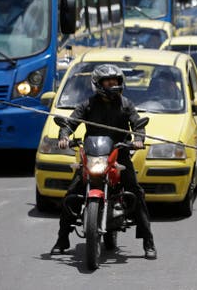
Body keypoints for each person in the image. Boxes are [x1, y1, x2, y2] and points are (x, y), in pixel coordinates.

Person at [50, 64, 158, 259]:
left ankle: (148, 242)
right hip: (92, 156)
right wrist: (64, 135)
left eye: (116, 81)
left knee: (136, 193)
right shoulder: (87, 105)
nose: (113, 84)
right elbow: (70, 123)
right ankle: (62, 239)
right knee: (70, 194)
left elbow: (137, 124)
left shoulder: (126, 104)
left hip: (119, 154)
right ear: (98, 84)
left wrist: (139, 139)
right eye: (109, 81)